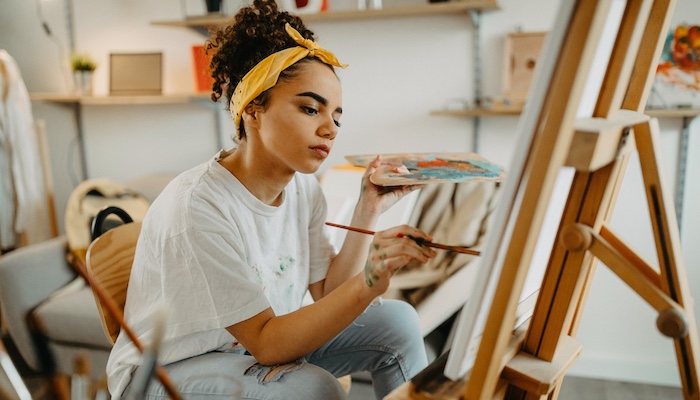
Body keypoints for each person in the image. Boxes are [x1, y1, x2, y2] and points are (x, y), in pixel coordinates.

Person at [106, 0, 436, 398]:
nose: (330, 129)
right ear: (252, 109)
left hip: (248, 350)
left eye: (337, 116)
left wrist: (370, 206)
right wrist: (368, 283)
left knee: (399, 322)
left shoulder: (302, 191)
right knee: (314, 388)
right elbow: (267, 342)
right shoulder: (198, 206)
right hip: (169, 373)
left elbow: (329, 296)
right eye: (310, 108)